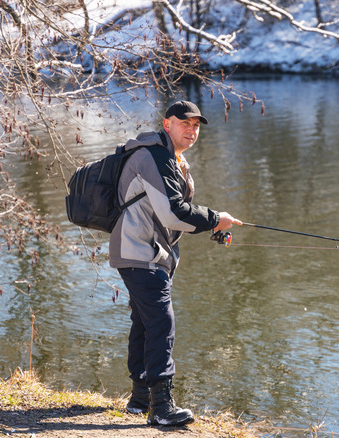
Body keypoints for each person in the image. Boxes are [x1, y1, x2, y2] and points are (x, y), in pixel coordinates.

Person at [109, 100, 241, 426]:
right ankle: (162, 409)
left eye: (196, 126)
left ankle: (140, 401)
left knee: (145, 322)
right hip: (139, 252)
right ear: (167, 124)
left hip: (143, 252)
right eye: (185, 123)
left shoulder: (172, 159)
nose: (192, 130)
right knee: (162, 323)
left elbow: (169, 216)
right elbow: (173, 211)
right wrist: (215, 220)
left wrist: (210, 226)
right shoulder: (153, 156)